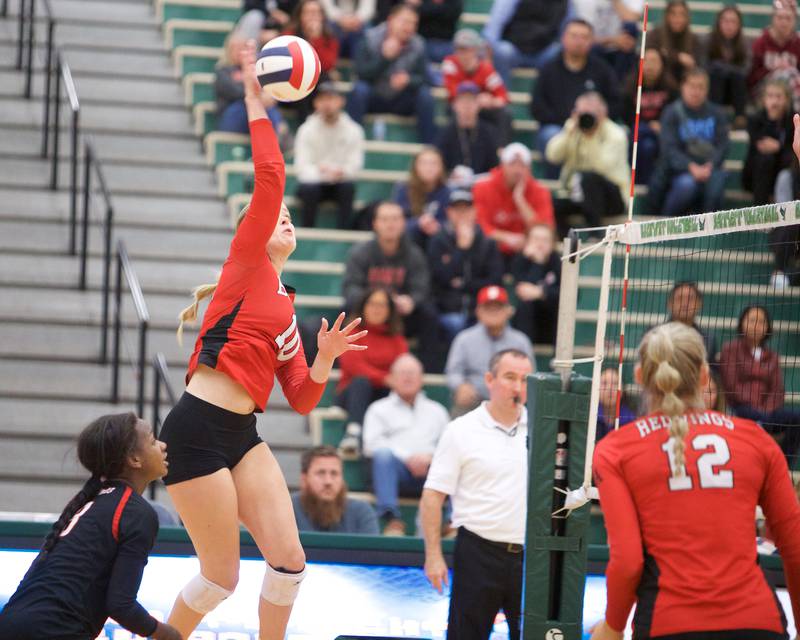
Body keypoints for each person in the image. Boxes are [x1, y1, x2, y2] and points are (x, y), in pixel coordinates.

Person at [159, 43, 367, 640]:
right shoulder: (246, 261)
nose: (285, 220)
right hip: (196, 430)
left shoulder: (286, 304)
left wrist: (324, 359)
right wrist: (256, 99)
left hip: (242, 434)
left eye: (286, 218)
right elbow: (272, 175)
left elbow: (301, 398)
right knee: (220, 578)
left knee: (290, 562)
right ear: (254, 222)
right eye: (274, 216)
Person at [590, 322, 800, 640]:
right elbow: (795, 546)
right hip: (758, 621)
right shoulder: (755, 438)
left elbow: (629, 560)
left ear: (638, 377)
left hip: (668, 623)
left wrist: (613, 627)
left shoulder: (616, 449)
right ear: (704, 376)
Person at [0, 413, 181, 640]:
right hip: (55, 629)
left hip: (11, 622)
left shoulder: (92, 500)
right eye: (153, 441)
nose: (163, 446)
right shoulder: (136, 512)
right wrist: (166, 633)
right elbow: (121, 605)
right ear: (134, 459)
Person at [421, 349, 534, 639]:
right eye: (510, 377)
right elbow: (433, 495)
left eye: (524, 379)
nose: (517, 387)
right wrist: (433, 554)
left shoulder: (541, 429)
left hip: (531, 556)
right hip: (478, 552)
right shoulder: (461, 430)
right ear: (490, 379)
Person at [341, 201, 440, 372]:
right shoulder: (360, 253)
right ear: (375, 224)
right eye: (385, 219)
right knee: (345, 311)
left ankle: (428, 372)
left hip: (400, 315)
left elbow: (421, 288)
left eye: (395, 219)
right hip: (368, 315)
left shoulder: (414, 254)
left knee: (429, 316)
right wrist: (373, 301)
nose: (390, 224)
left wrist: (411, 301)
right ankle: (343, 365)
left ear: (403, 224)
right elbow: (350, 287)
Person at [363, 353, 450, 535]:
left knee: (455, 461)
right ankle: (392, 520)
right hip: (396, 470)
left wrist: (429, 458)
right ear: (392, 379)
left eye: (412, 373)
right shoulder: (378, 409)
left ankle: (451, 522)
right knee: (382, 455)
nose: (408, 377)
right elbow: (371, 445)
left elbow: (449, 446)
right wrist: (407, 458)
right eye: (402, 373)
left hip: (431, 471)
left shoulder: (437, 411)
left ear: (421, 379)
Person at [531, 19, 622, 179]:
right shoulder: (549, 68)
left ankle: (599, 186)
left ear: (591, 41)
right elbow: (537, 106)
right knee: (549, 136)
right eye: (574, 36)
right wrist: (570, 123)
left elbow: (615, 102)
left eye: (584, 37)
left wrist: (598, 119)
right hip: (562, 129)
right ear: (563, 38)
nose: (579, 41)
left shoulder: (602, 69)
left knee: (619, 134)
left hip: (596, 128)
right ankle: (556, 186)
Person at [346, 4, 437, 144]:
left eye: (414, 23)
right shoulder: (369, 38)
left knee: (425, 96)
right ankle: (351, 142)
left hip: (401, 99)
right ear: (391, 20)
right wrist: (385, 59)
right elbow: (361, 73)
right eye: (405, 22)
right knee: (359, 90)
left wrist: (408, 80)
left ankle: (429, 146)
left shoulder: (419, 44)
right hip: (374, 96)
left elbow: (425, 78)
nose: (409, 27)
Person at [336, 287, 409, 458]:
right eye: (373, 304)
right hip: (352, 393)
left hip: (383, 394)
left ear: (390, 311)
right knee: (361, 382)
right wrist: (385, 378)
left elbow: (403, 365)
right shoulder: (351, 332)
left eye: (383, 305)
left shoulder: (397, 339)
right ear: (363, 306)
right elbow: (354, 367)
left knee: (397, 391)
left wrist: (392, 381)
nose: (377, 309)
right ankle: (353, 434)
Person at [719, 305, 800, 459]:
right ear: (742, 323)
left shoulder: (772, 356)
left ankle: (783, 463)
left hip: (768, 413)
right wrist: (756, 409)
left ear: (767, 327)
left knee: (796, 419)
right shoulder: (730, 350)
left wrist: (766, 411)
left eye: (762, 321)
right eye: (752, 320)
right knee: (753, 417)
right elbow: (731, 385)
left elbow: (777, 391)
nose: (756, 325)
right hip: (740, 408)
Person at [647, 68, 729, 218]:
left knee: (716, 187)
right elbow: (669, 149)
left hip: (709, 168)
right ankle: (665, 224)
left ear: (707, 90)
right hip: (679, 170)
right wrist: (691, 167)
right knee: (686, 185)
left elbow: (723, 145)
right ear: (683, 87)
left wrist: (710, 165)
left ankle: (708, 234)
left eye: (700, 87)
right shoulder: (671, 112)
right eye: (692, 86)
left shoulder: (717, 113)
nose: (695, 91)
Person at [545, 91, 629, 235]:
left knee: (589, 177)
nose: (586, 117)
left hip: (612, 198)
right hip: (580, 195)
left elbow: (601, 167)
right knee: (552, 204)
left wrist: (591, 137)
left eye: (591, 112)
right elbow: (552, 155)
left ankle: (595, 234)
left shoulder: (616, 135)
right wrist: (568, 134)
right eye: (582, 112)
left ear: (603, 112)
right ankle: (566, 241)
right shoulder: (573, 128)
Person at [428, 189, 504, 344]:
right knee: (453, 324)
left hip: (482, 307)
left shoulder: (487, 243)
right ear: (449, 212)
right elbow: (441, 278)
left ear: (474, 211)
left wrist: (463, 284)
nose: (462, 214)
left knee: (496, 323)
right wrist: (461, 250)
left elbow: (495, 280)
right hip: (448, 308)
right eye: (457, 210)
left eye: (466, 209)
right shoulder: (438, 241)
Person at [445, 285, 534, 417]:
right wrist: (460, 386)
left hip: (509, 400)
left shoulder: (520, 341)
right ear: (478, 311)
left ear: (508, 310)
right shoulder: (464, 339)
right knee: (460, 405)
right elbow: (453, 372)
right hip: (473, 401)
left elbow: (530, 376)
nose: (493, 311)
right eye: (488, 307)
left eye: (498, 307)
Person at [294, 82, 364, 229]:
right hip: (313, 184)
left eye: (331, 98)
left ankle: (343, 235)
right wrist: (325, 172)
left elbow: (355, 166)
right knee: (309, 190)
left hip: (340, 183)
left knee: (348, 189)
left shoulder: (354, 130)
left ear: (341, 101)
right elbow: (301, 169)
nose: (327, 104)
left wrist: (338, 172)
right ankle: (307, 235)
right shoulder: (305, 130)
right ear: (315, 103)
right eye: (322, 99)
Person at [473, 143, 555, 259]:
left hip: (527, 251)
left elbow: (545, 230)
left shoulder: (540, 191)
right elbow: (480, 226)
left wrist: (520, 200)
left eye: (522, 165)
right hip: (493, 250)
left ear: (529, 169)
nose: (517, 170)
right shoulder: (483, 188)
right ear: (502, 166)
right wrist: (506, 238)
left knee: (541, 248)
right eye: (512, 164)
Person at [441, 29, 512, 145]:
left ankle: (500, 150)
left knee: (505, 114)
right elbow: (453, 92)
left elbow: (503, 98)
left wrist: (491, 101)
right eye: (458, 50)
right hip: (459, 106)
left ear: (475, 51)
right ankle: (456, 146)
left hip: (481, 109)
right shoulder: (450, 63)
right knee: (454, 109)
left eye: (466, 50)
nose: (462, 55)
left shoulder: (486, 70)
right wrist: (474, 99)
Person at [214, 31, 287, 142]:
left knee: (267, 106)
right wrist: (257, 97)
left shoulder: (258, 70)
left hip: (258, 110)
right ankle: (278, 134)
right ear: (229, 50)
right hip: (233, 115)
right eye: (236, 48)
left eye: (244, 48)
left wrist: (268, 96)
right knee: (251, 104)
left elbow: (268, 89)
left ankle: (277, 137)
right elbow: (234, 92)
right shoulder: (223, 71)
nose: (240, 52)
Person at [291, 446, 379, 534]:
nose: (328, 482)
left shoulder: (361, 513)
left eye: (334, 474)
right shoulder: (289, 509)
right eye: (321, 473)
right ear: (304, 478)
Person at [623, 47, 678, 185]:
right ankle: (641, 182)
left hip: (661, 134)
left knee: (647, 140)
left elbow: (673, 116)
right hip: (638, 134)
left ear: (662, 65)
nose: (649, 65)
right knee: (645, 143)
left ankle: (642, 182)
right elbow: (627, 117)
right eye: (645, 60)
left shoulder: (671, 89)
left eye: (654, 61)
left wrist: (661, 125)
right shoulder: (629, 87)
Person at [482, 0, 569, 86]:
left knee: (559, 54)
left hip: (544, 50)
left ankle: (549, 98)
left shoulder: (565, 2)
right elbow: (495, 24)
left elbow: (570, 27)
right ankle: (501, 96)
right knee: (501, 51)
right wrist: (489, 47)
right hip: (514, 48)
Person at [281, 0, 341, 121]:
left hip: (316, 86)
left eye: (316, 13)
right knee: (302, 79)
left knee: (325, 81)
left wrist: (316, 39)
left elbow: (327, 65)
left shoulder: (330, 38)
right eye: (308, 12)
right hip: (291, 87)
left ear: (322, 17)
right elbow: (287, 62)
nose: (312, 16)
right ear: (300, 16)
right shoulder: (289, 35)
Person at [743, 79, 795, 206]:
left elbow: (790, 149)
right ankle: (760, 212)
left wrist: (779, 146)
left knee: (788, 160)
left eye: (778, 96)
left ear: (787, 100)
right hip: (756, 173)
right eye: (770, 96)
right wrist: (771, 119)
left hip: (783, 170)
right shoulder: (755, 119)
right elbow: (762, 145)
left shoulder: (793, 119)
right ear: (764, 99)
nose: (774, 101)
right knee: (765, 159)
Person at [435, 81, 502, 177]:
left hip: (480, 185)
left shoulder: (488, 132)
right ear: (455, 105)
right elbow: (439, 165)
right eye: (463, 101)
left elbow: (494, 166)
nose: (467, 106)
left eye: (471, 101)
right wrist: (450, 175)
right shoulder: (445, 132)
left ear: (478, 105)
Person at [510, 224, 561, 346]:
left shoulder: (558, 261)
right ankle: (523, 351)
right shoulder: (520, 260)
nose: (540, 244)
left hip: (550, 320)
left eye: (545, 240)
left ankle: (556, 360)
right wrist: (537, 263)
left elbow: (571, 294)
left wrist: (542, 293)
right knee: (526, 306)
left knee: (559, 308)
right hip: (528, 321)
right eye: (536, 239)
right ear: (527, 241)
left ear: (552, 243)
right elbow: (523, 291)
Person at [392, 146, 451, 247]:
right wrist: (418, 223)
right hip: (411, 241)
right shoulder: (403, 189)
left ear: (441, 167)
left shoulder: (449, 192)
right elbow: (396, 221)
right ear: (415, 167)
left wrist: (438, 227)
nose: (429, 168)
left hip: (439, 242)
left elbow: (453, 224)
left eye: (434, 163)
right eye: (424, 163)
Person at [748, 0, 800, 111]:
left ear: (794, 21)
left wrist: (789, 70)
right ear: (773, 19)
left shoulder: (798, 44)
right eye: (780, 18)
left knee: (790, 74)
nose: (784, 22)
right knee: (787, 73)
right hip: (764, 90)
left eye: (788, 18)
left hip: (791, 91)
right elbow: (751, 78)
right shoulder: (761, 43)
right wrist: (773, 70)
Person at [704, 5, 750, 129]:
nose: (729, 25)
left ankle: (740, 117)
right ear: (719, 22)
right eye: (725, 21)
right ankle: (715, 117)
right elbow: (704, 66)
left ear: (739, 24)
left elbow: (746, 70)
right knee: (717, 74)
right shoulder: (708, 40)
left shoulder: (744, 43)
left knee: (737, 75)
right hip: (714, 91)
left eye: (733, 21)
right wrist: (726, 69)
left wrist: (724, 68)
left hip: (734, 93)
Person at [572, 0, 642, 80]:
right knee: (592, 47)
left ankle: (621, 86)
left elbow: (632, 19)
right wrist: (612, 40)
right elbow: (584, 35)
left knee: (631, 27)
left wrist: (615, 2)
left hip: (622, 48)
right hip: (596, 47)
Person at [646, 0, 701, 83]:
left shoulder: (693, 39)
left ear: (687, 17)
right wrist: (678, 57)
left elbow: (695, 64)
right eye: (673, 14)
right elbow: (650, 58)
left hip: (684, 83)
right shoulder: (655, 34)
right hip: (659, 83)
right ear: (667, 16)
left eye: (682, 14)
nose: (677, 18)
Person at [664, 281, 718, 362]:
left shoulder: (708, 339)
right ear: (670, 304)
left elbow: (713, 372)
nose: (685, 303)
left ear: (699, 304)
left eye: (690, 299)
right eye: (680, 298)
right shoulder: (653, 334)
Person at [595, 367, 637, 442]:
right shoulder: (590, 417)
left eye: (615, 383)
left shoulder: (631, 419)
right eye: (604, 383)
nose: (610, 389)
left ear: (622, 390)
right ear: (595, 387)